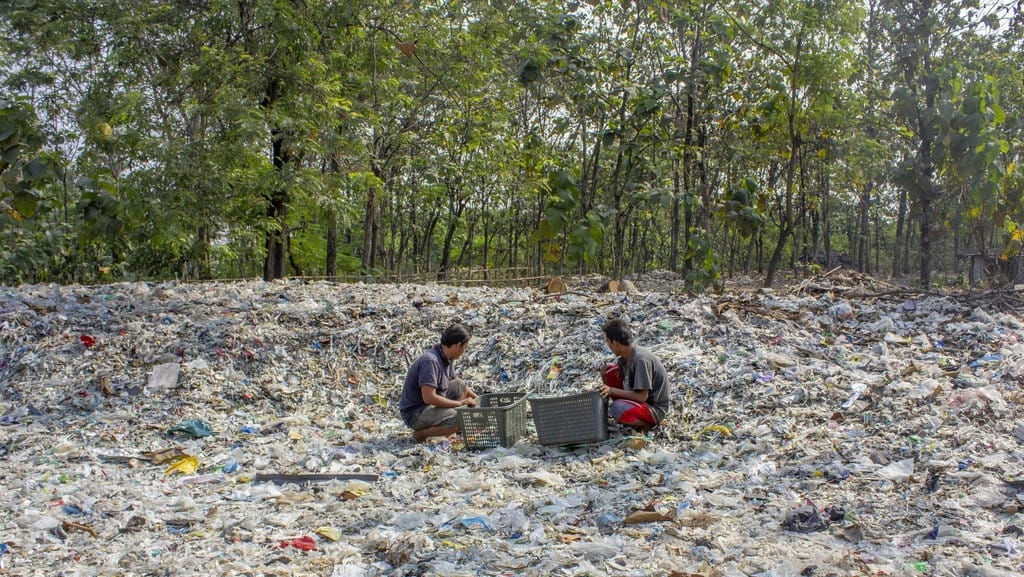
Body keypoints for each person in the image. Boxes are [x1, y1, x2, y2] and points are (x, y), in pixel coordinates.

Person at [399, 323, 479, 443]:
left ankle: (447, 429)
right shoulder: (431, 361)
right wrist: (459, 403)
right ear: (457, 345)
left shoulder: (446, 358)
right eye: (465, 347)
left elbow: (462, 388)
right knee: (462, 419)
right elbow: (429, 398)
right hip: (416, 413)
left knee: (459, 384)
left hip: (430, 405)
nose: (464, 351)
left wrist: (479, 401)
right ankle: (421, 434)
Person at [598, 318, 670, 431]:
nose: (608, 345)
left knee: (616, 408)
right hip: (640, 402)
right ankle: (627, 409)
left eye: (608, 342)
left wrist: (611, 390)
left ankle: (647, 424)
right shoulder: (625, 358)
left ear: (616, 343)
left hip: (654, 408)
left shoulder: (641, 360)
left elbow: (642, 396)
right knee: (608, 370)